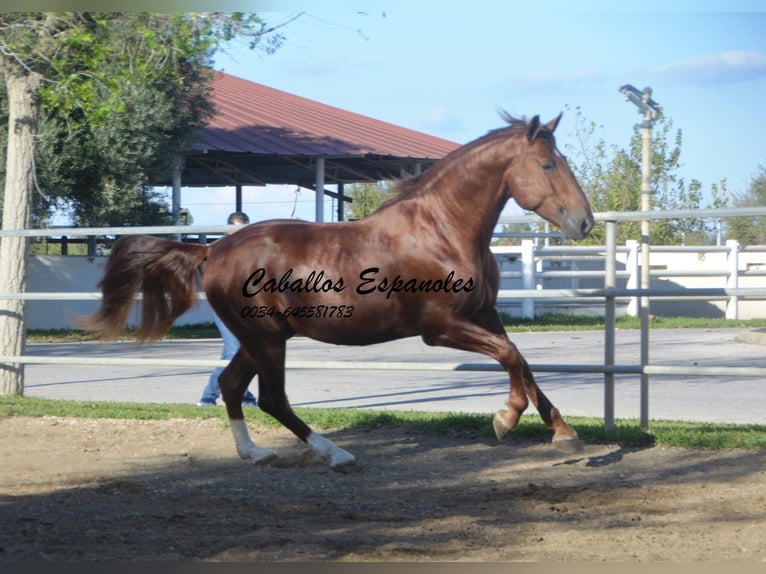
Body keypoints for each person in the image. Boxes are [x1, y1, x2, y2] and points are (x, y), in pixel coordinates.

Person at [197, 212, 258, 407]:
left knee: (233, 353)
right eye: (237, 230)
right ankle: (242, 398)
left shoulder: (251, 250)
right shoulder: (217, 250)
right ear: (228, 229)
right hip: (224, 305)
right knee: (236, 352)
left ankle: (208, 397)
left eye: (245, 229)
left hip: (245, 307)